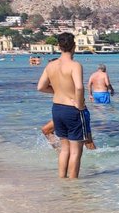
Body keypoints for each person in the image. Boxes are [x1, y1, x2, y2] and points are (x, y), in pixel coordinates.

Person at [36, 32, 88, 178]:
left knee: (64, 149)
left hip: (57, 108)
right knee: (76, 151)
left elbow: (40, 87)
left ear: (58, 46)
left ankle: (62, 180)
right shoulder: (75, 65)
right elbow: (79, 87)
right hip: (72, 110)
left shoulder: (51, 65)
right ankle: (73, 184)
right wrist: (79, 104)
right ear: (74, 47)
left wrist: (58, 91)